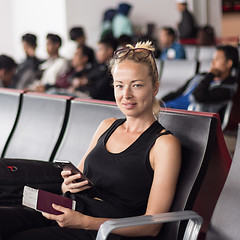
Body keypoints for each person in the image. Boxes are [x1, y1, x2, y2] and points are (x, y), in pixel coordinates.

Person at [0, 41, 181, 240]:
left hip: (104, 230)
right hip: (70, 210)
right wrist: (66, 186)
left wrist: (83, 221)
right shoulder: (107, 125)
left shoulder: (164, 145)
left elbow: (152, 225)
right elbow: (75, 178)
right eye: (119, 85)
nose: (126, 95)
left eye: (136, 85)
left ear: (155, 88)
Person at [162, 45, 239, 119]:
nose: (212, 63)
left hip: (183, 118)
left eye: (217, 59)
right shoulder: (201, 76)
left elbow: (198, 96)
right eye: (213, 59)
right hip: (168, 109)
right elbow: (177, 93)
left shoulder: (227, 88)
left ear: (229, 63)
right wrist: (159, 102)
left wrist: (210, 75)